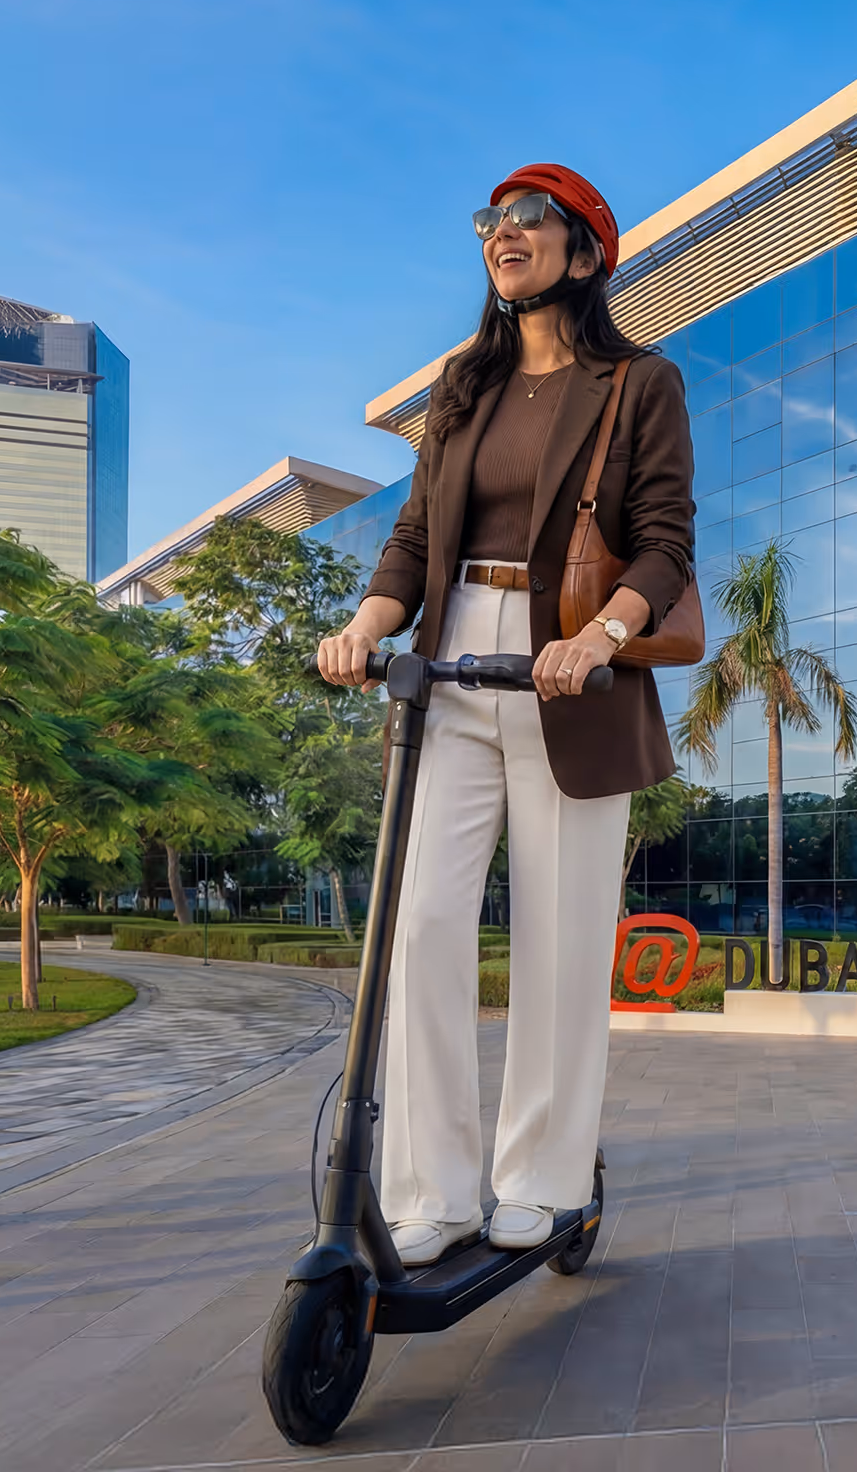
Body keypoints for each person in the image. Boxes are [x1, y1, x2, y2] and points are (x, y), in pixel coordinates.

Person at [316, 164, 693, 1264]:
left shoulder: (638, 382)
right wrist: (366, 624)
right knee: (422, 926)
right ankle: (430, 1190)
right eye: (490, 220)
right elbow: (416, 543)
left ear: (584, 252)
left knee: (561, 941)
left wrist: (599, 638)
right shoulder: (461, 389)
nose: (502, 233)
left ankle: (543, 1176)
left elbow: (666, 539)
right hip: (452, 668)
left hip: (572, 667)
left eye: (530, 218)